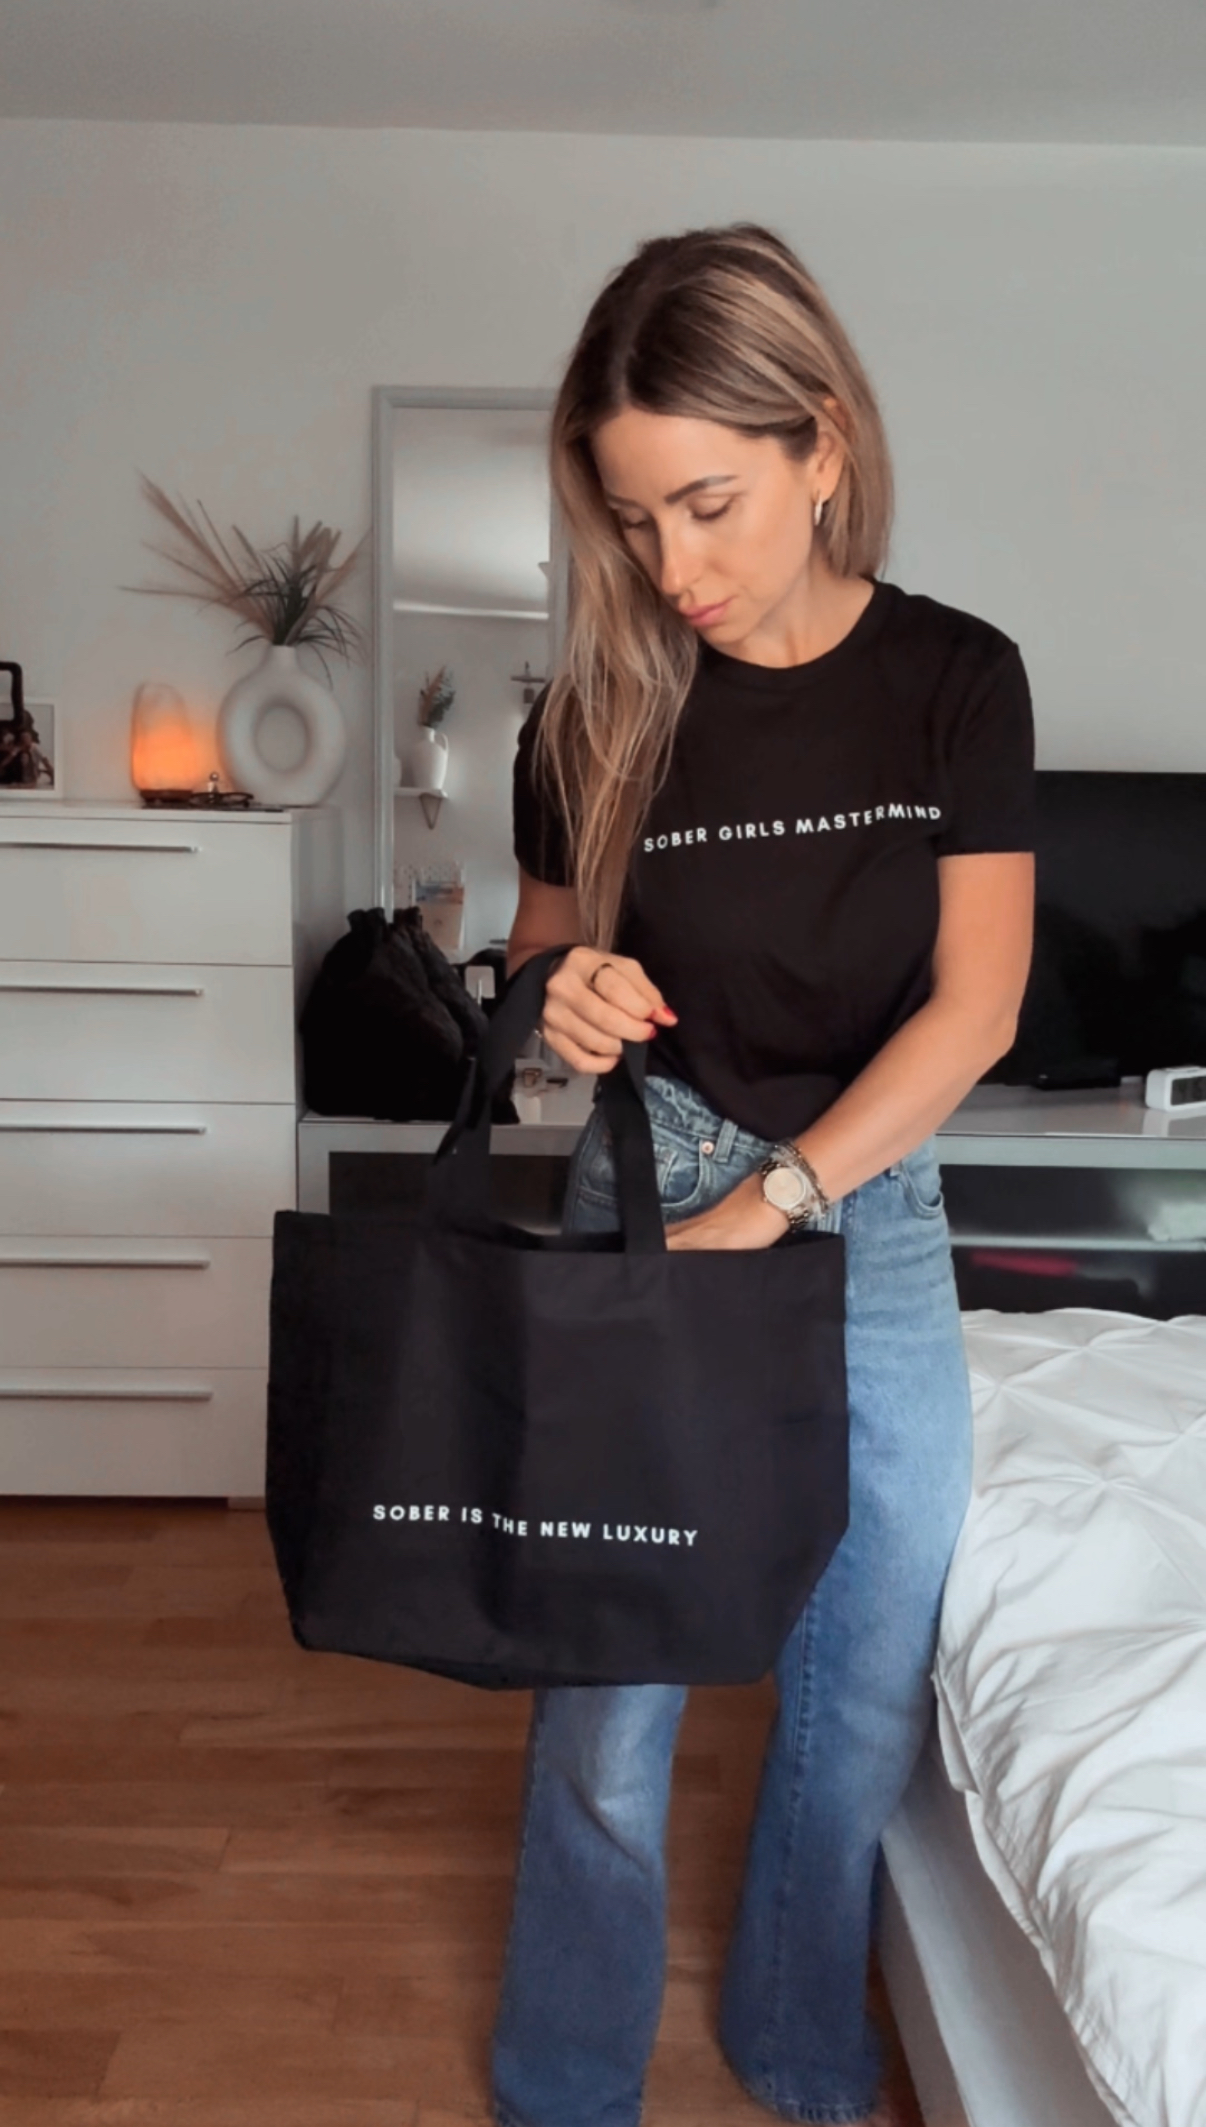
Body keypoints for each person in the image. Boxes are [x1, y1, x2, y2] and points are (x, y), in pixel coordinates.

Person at [493, 222, 1035, 2127]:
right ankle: (566, 2082)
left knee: (861, 1681)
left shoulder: (956, 679)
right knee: (609, 1694)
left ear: (819, 443)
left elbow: (974, 1008)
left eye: (706, 505)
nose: (674, 568)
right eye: (634, 519)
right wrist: (558, 995)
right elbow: (533, 960)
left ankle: (797, 2043)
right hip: (645, 1192)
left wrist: (779, 1201)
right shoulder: (594, 707)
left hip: (864, 1205)